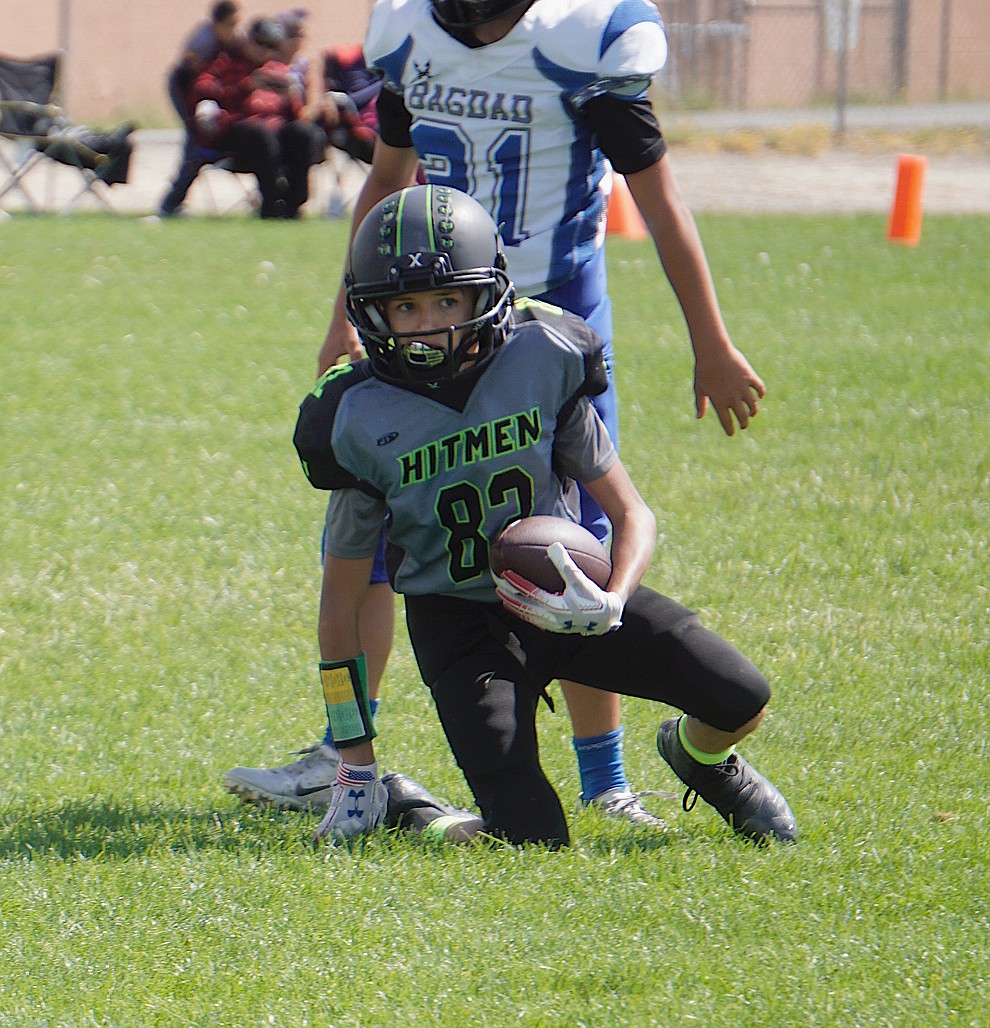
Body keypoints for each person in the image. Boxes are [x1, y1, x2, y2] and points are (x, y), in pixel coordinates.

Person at [224, 0, 764, 826]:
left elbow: (657, 199)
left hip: (540, 310)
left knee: (573, 549)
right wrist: (346, 319)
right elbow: (384, 179)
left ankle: (606, 778)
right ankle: (349, 759)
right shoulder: (412, 40)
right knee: (372, 545)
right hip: (406, 307)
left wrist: (712, 340)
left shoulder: (582, 42)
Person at [295, 184, 795, 849]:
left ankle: (702, 758)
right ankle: (407, 809)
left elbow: (631, 512)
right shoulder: (355, 415)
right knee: (531, 839)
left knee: (740, 694)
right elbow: (340, 606)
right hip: (460, 625)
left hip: (568, 588)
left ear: (489, 293)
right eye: (406, 306)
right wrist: (354, 759)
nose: (431, 324)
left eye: (448, 299)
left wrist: (611, 598)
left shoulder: (542, 356)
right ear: (373, 311)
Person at [189, 17, 325, 219]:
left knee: (303, 133)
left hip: (277, 129)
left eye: (272, 47)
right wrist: (246, 87)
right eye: (260, 44)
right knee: (260, 133)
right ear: (248, 40)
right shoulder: (226, 62)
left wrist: (292, 97)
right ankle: (271, 201)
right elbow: (202, 88)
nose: (265, 51)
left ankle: (294, 202)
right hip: (237, 130)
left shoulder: (277, 69)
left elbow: (297, 115)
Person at [160, 1, 242, 217]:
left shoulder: (222, 39)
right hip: (183, 90)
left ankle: (173, 202)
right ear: (219, 23)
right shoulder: (203, 43)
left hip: (199, 93)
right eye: (231, 24)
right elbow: (189, 78)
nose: (235, 30)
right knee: (195, 142)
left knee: (195, 145)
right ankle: (171, 203)